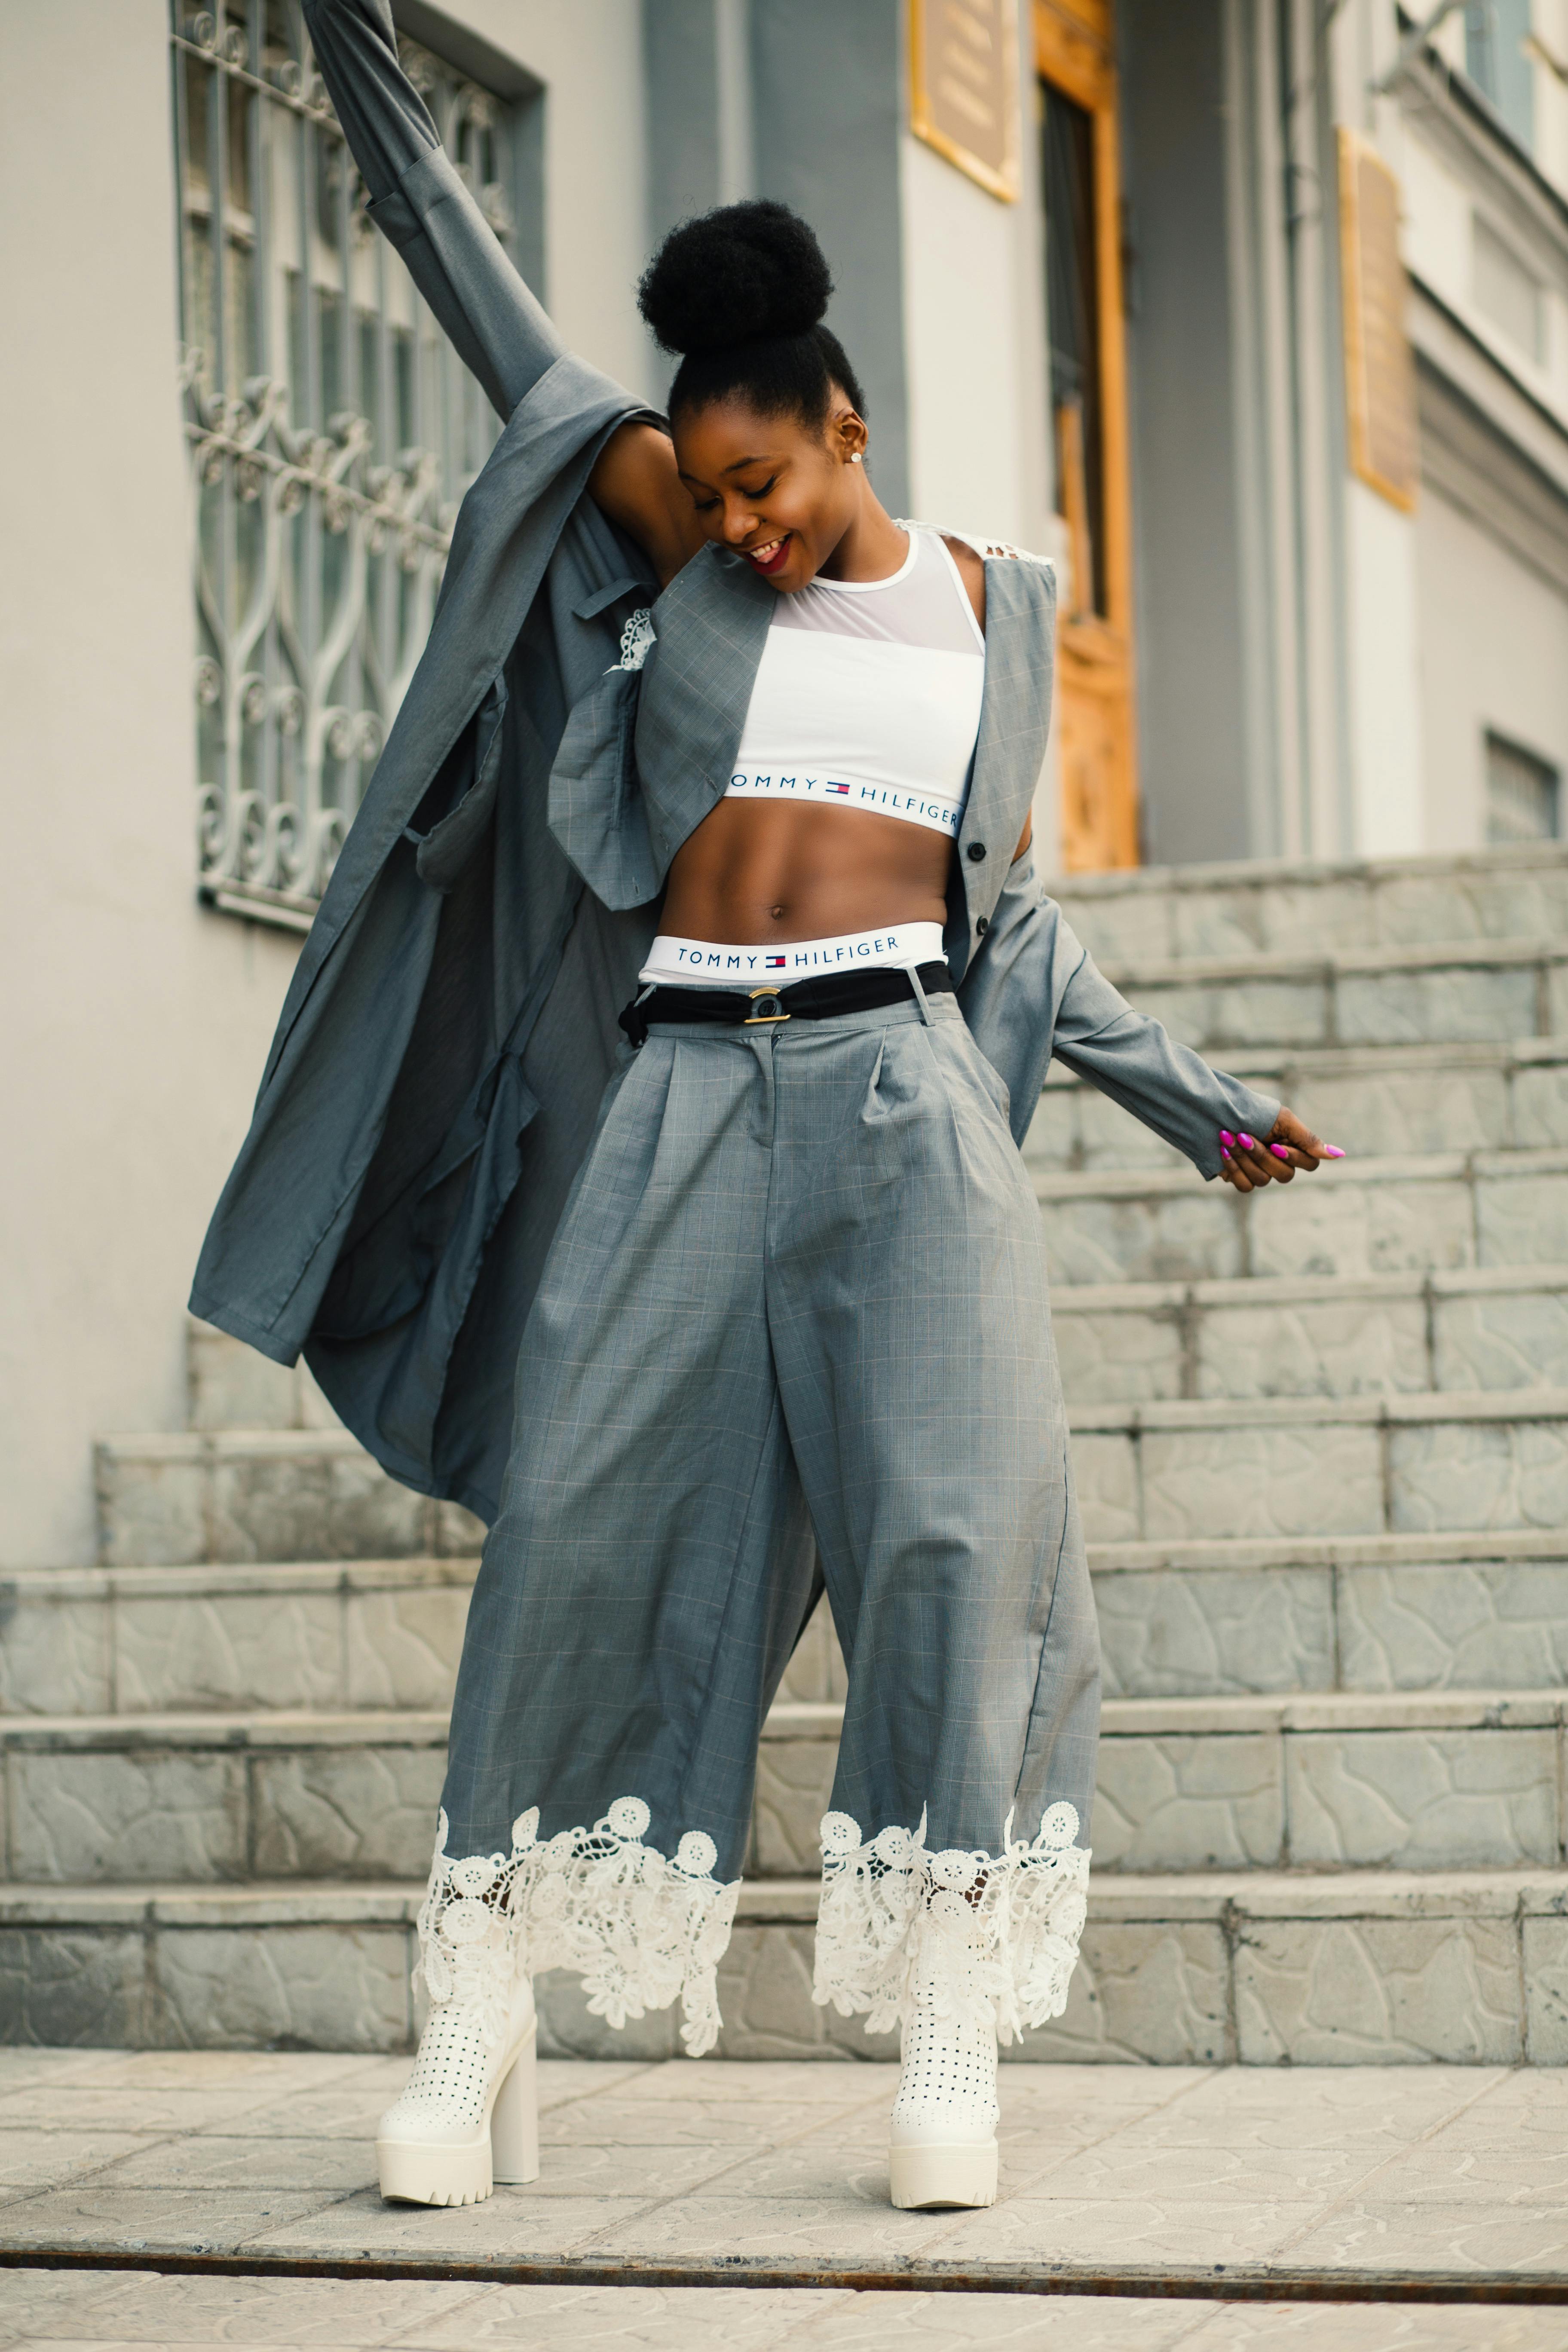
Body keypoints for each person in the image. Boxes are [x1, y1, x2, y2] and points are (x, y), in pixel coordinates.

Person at [193, 0, 1341, 2218]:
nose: (741, 529)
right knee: (581, 1537)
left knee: (952, 1538)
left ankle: (941, 2030)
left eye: (771, 482)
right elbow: (494, 319)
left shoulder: (1002, 610)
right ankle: (475, 2009)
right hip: (685, 1099)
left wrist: (1193, 1105)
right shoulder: (680, 533)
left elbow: (1007, 929)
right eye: (710, 494)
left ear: (850, 425)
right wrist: (354, 76)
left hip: (913, 1100)